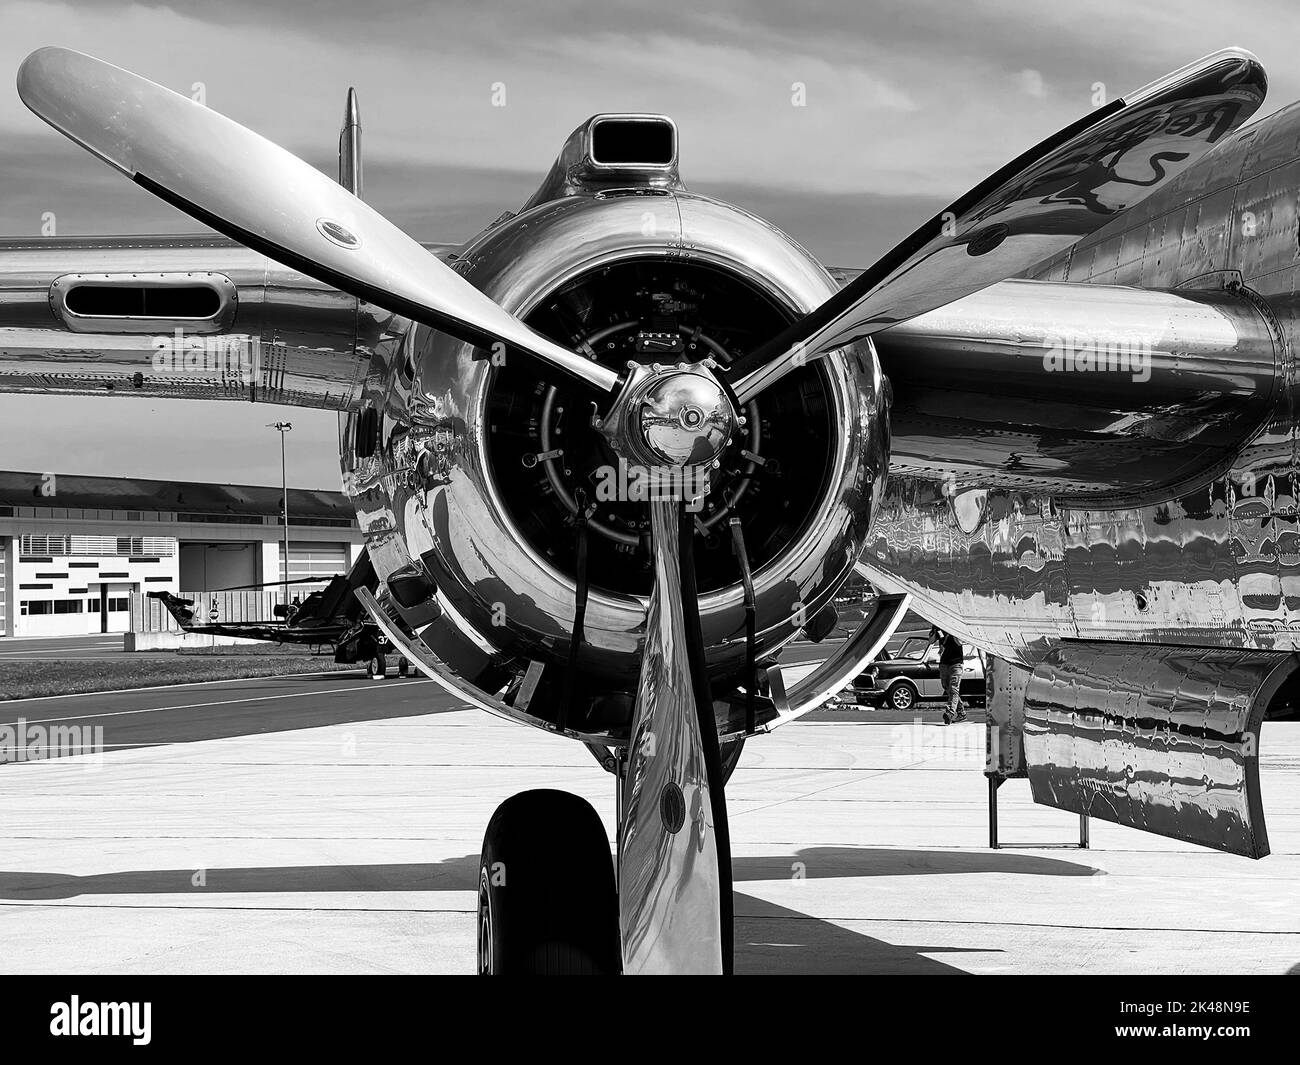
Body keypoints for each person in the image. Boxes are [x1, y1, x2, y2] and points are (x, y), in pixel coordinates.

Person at [929, 625, 967, 724]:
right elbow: (931, 641)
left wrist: (952, 631)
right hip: (944, 663)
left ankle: (950, 712)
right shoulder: (938, 627)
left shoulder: (955, 625)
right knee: (947, 687)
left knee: (954, 688)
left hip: (956, 663)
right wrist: (934, 629)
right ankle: (961, 713)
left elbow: (959, 642)